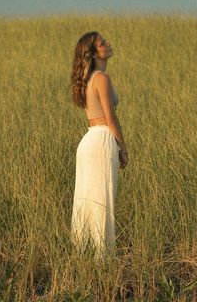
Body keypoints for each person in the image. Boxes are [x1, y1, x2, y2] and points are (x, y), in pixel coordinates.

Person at [70, 31, 128, 258]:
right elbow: (110, 117)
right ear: (94, 53)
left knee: (88, 200)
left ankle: (85, 254)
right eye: (102, 43)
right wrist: (123, 148)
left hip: (88, 140)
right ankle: (102, 259)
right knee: (102, 201)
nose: (108, 43)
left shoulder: (86, 78)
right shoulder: (101, 79)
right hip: (102, 139)